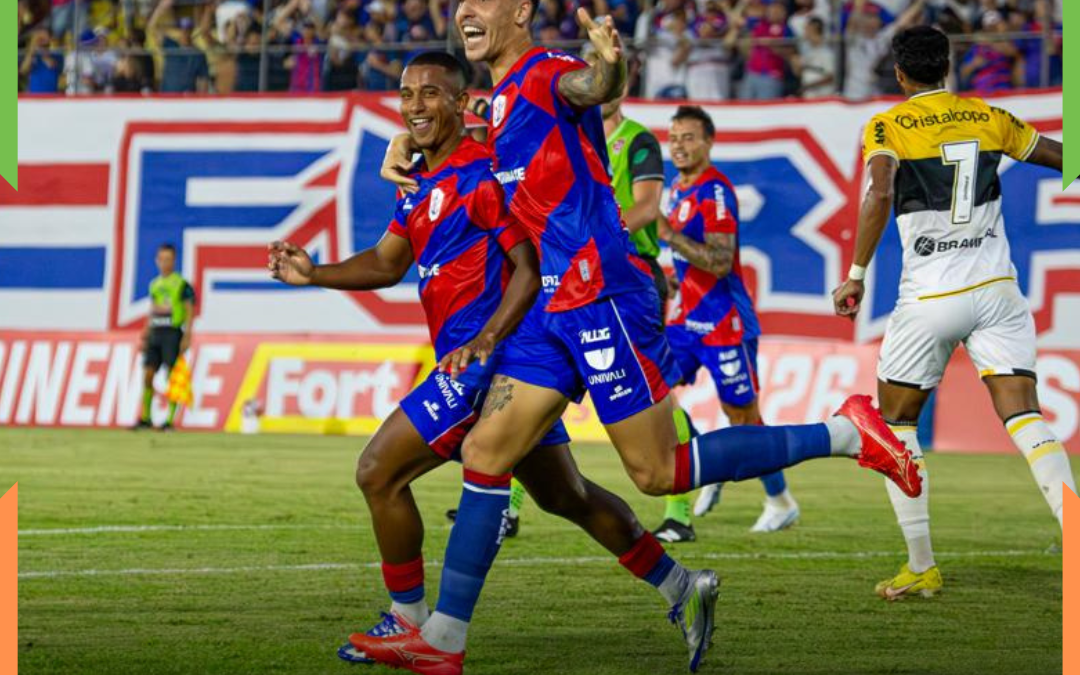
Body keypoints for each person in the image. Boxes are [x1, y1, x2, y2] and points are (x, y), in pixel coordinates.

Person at [361, 1, 921, 672]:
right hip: (554, 303)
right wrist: (408, 146)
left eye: (483, 2)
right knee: (486, 452)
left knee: (660, 472)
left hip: (602, 291)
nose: (466, 12)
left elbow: (593, 88)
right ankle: (443, 640)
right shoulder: (501, 100)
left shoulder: (547, 72)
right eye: (460, 6)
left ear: (520, 12)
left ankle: (851, 432)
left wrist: (611, 63)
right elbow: (463, 132)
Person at [270, 52, 707, 670]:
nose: (416, 106)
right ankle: (683, 587)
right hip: (504, 364)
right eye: (407, 95)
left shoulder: (484, 175)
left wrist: (487, 340)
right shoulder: (421, 180)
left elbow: (529, 268)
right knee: (568, 496)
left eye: (430, 94)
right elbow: (388, 262)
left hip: (485, 362)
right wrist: (314, 273)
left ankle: (410, 621)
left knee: (378, 472)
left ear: (460, 101)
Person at [833, 25, 1073, 601]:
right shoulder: (988, 116)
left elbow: (881, 192)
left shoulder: (888, 125)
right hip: (996, 292)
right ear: (948, 67)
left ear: (899, 74)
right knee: (1025, 417)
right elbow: (1061, 158)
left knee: (895, 426)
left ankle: (922, 565)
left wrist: (857, 275)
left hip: (932, 299)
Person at [661, 105, 801, 535]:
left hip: (725, 322)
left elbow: (720, 262)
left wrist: (668, 235)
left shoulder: (716, 191)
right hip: (685, 320)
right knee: (651, 390)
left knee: (743, 416)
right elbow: (683, 261)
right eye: (675, 137)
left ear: (708, 142)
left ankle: (780, 502)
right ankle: (709, 463)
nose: (680, 146)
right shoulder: (675, 190)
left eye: (689, 137)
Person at [133, 244, 195, 431]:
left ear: (174, 260)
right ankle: (146, 417)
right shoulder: (155, 284)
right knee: (148, 374)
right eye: (162, 259)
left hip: (172, 332)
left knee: (172, 376)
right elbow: (152, 310)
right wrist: (145, 333)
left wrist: (187, 334)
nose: (165, 263)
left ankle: (169, 420)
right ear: (157, 261)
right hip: (155, 332)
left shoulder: (182, 284)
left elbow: (189, 310)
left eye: (168, 259)